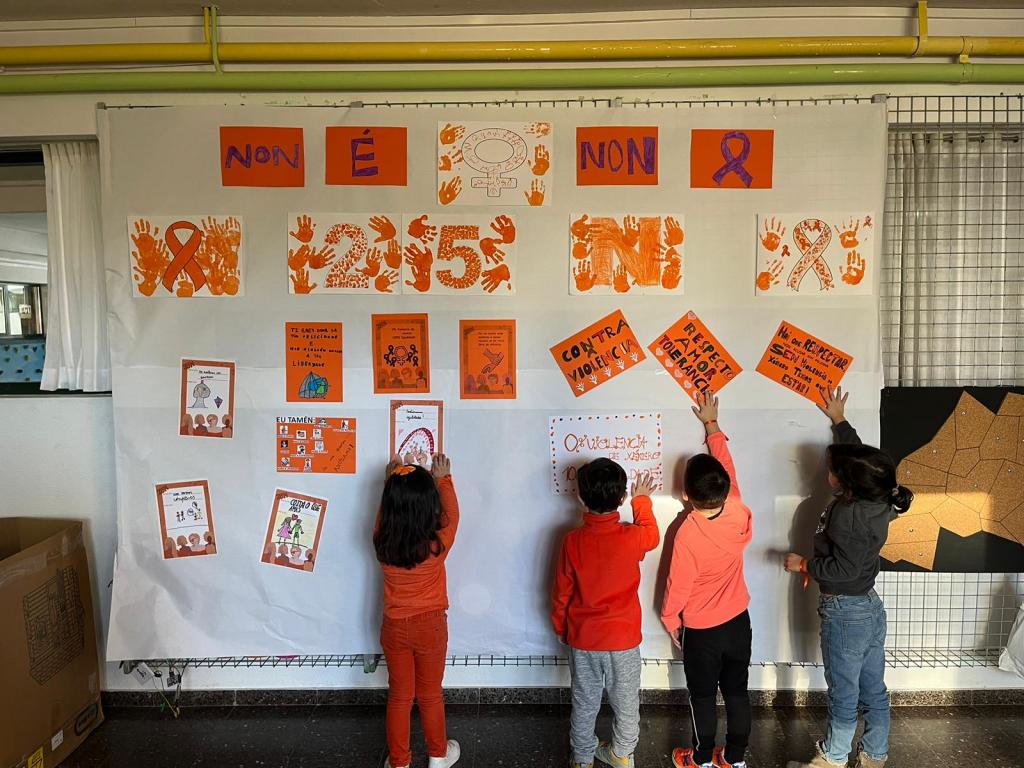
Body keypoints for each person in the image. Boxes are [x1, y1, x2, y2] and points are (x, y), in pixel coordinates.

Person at [784, 387, 913, 768]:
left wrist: (804, 565)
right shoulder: (877, 496)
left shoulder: (849, 515)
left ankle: (833, 758)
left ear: (846, 483)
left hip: (846, 612)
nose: (824, 471)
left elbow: (845, 570)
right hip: (867, 607)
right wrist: (840, 420)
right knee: (873, 687)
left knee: (844, 693)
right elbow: (860, 459)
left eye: (832, 469)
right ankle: (874, 754)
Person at [662, 391, 753, 768]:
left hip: (701, 631)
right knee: (737, 692)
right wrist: (712, 425)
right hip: (739, 622)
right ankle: (735, 759)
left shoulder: (687, 532)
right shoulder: (737, 507)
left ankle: (700, 759)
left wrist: (671, 622)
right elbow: (726, 465)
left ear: (685, 494)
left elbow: (677, 586)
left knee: (702, 696)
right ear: (724, 487)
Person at [551, 459, 660, 768]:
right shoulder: (633, 536)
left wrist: (561, 628)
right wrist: (642, 501)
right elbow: (652, 535)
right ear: (622, 498)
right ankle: (621, 754)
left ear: (580, 497)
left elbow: (561, 593)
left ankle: (582, 759)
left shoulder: (572, 541)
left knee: (584, 703)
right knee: (626, 703)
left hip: (584, 639)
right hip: (623, 641)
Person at [374, 452, 461, 768]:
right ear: (428, 506)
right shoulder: (437, 545)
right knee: (430, 694)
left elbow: (387, 514)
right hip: (431, 626)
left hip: (394, 627)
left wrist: (390, 481)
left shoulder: (381, 540)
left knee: (399, 696)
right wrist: (443, 479)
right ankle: (438, 756)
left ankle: (399, 762)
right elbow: (452, 515)